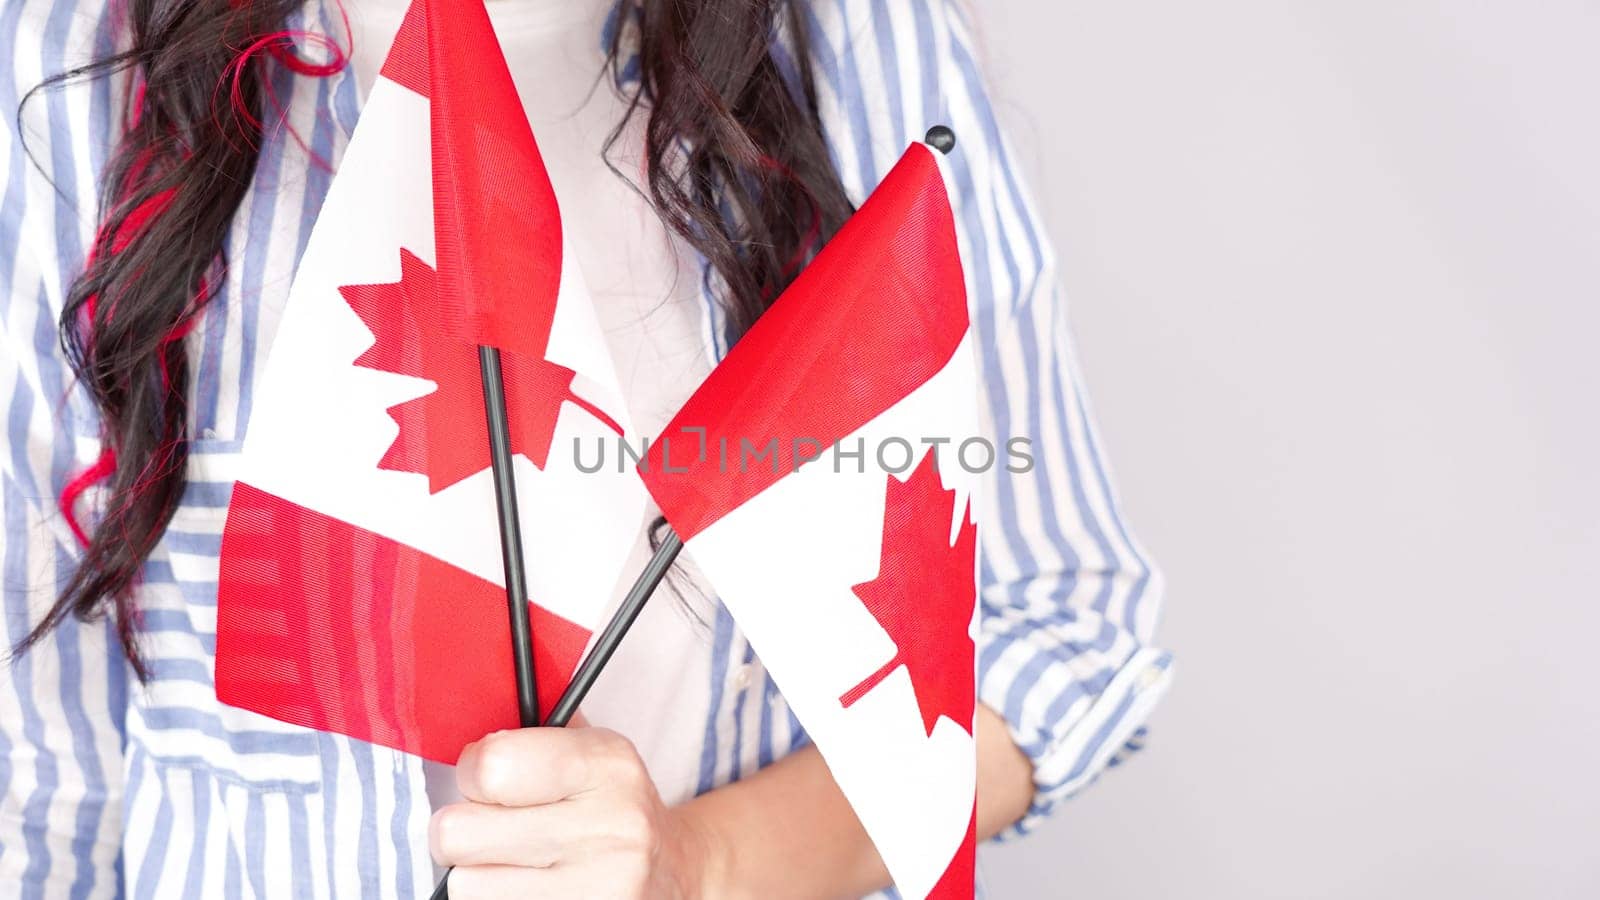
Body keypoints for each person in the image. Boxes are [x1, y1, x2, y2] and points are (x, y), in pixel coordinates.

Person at [0, 0, 1173, 896]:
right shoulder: (78, 56)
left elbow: (1064, 635)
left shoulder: (842, 36)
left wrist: (699, 863)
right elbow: (47, 776)